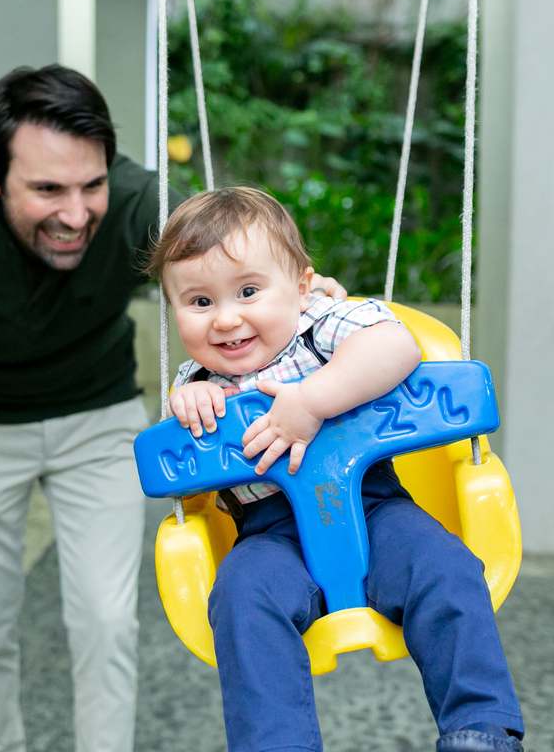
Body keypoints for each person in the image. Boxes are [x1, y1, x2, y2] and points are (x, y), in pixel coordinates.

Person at [0, 65, 344, 752]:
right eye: (47, 190)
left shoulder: (138, 200)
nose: (74, 213)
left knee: (104, 619)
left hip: (98, 420)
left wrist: (313, 301)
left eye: (90, 184)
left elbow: (240, 259)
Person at [147, 187, 525, 752]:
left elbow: (394, 346)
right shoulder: (198, 382)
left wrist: (311, 401)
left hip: (376, 511)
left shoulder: (320, 322)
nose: (226, 319)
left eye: (249, 291)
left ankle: (481, 729)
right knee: (241, 596)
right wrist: (186, 411)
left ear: (300, 287)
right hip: (269, 533)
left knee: (446, 568)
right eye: (199, 302)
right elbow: (182, 461)